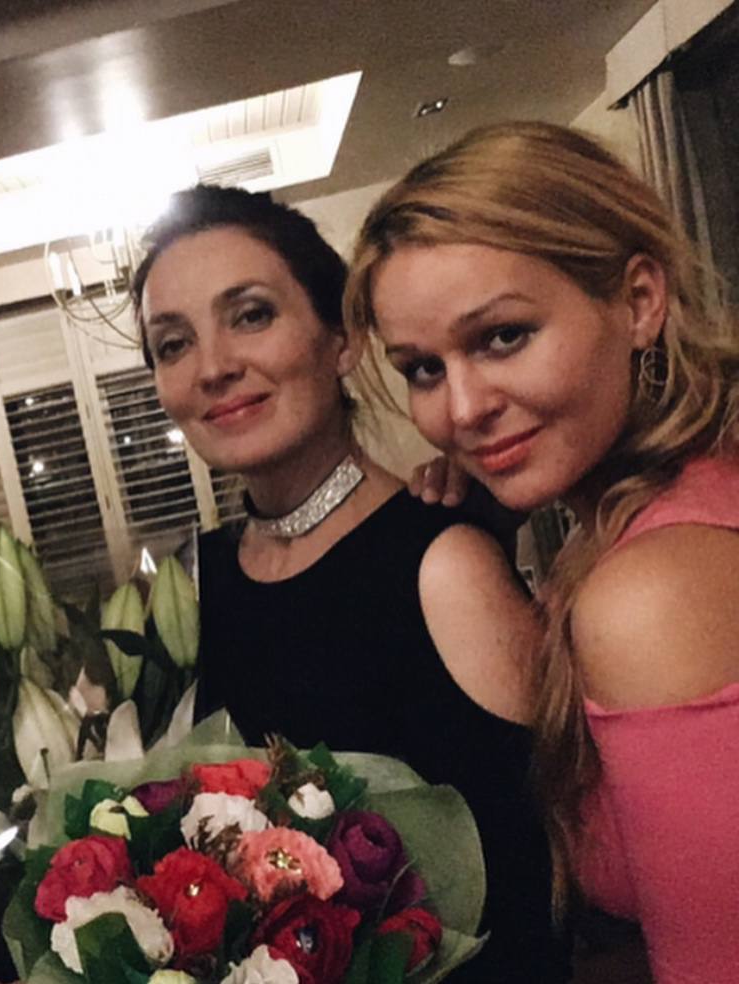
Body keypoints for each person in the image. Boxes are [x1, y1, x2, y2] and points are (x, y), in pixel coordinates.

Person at [131, 184, 569, 982]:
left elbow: (542, 888)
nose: (214, 367)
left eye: (251, 315)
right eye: (172, 344)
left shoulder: (444, 562)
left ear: (342, 338)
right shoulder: (194, 586)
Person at [344, 120, 739, 983]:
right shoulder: (675, 506)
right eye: (422, 369)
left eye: (503, 337)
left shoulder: (652, 595)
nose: (462, 409)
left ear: (639, 301)